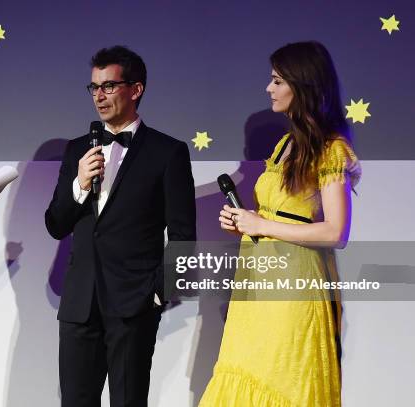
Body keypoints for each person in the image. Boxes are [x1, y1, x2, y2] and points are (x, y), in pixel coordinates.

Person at [199, 41, 362, 406]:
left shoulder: (331, 149)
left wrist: (262, 226)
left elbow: (336, 232)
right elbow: (275, 214)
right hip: (256, 283)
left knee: (283, 378)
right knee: (243, 371)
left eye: (276, 81)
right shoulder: (285, 144)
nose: (268, 89)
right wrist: (244, 222)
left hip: (293, 290)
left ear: (302, 85)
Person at [45, 46, 196, 406]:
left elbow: (183, 235)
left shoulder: (167, 152)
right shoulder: (77, 149)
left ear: (136, 89)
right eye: (94, 87)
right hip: (80, 305)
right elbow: (55, 223)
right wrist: (80, 184)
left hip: (134, 306)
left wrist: (157, 293)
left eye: (109, 86)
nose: (99, 95)